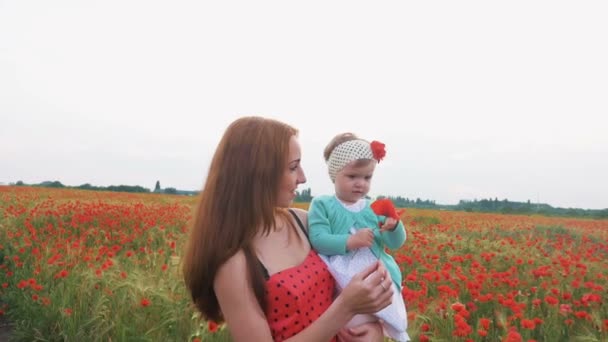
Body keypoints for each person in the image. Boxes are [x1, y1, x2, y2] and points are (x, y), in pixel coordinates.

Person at [182, 117, 395, 342]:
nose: (302, 178)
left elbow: (347, 283)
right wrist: (345, 309)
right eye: (293, 167)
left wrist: (373, 329)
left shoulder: (302, 222)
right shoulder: (233, 263)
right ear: (259, 174)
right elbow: (344, 306)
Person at [308, 132, 410, 342]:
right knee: (357, 332)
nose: (360, 184)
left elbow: (395, 243)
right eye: (352, 176)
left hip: (380, 279)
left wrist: (394, 227)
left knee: (390, 322)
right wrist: (350, 242)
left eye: (367, 177)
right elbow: (317, 239)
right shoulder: (323, 204)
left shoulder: (375, 207)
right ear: (334, 174)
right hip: (343, 283)